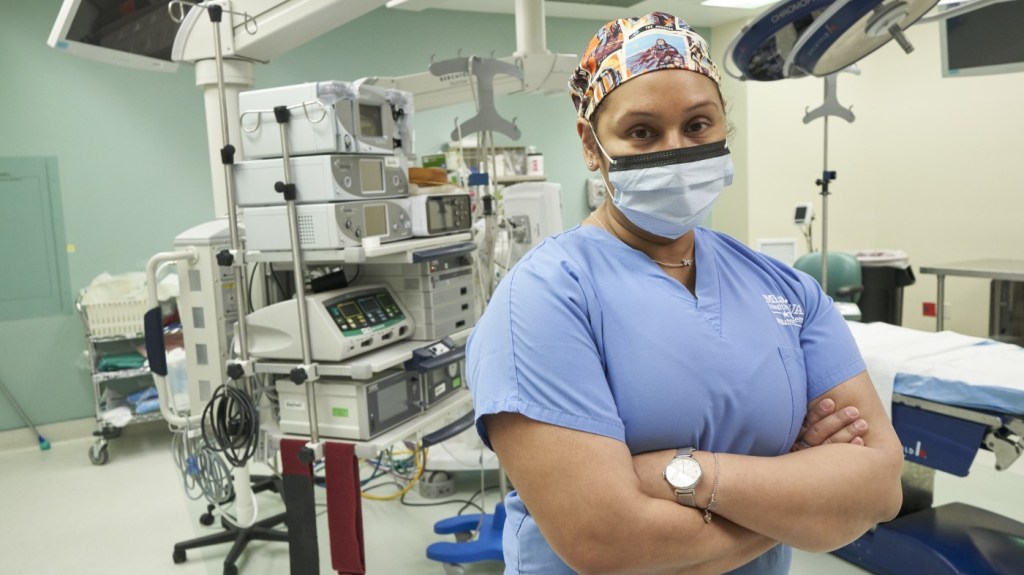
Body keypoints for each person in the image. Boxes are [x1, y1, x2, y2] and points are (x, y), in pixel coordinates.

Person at [466, 12, 904, 575]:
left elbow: (881, 488)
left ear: (724, 128)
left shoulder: (787, 289)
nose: (676, 150)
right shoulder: (545, 298)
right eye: (642, 131)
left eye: (698, 126)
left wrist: (687, 472)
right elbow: (607, 543)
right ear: (591, 145)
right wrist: (802, 499)